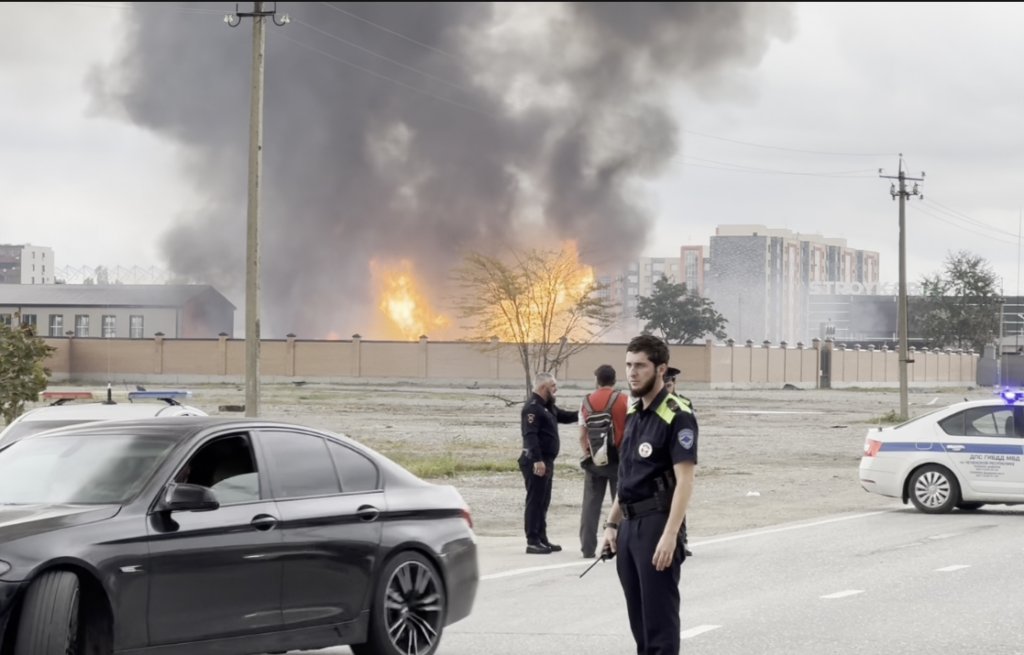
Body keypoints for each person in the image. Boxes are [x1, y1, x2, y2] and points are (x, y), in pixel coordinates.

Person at [599, 335, 698, 655]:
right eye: (628, 365)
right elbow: (627, 476)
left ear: (660, 368)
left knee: (659, 625)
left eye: (640, 366)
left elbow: (685, 481)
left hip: (657, 523)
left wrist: (671, 535)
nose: (632, 372)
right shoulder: (632, 412)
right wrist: (611, 525)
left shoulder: (676, 413)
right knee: (640, 624)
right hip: (628, 526)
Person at [519, 372, 579, 554]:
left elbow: (566, 416)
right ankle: (532, 540)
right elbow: (530, 435)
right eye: (553, 386)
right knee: (535, 501)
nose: (556, 389)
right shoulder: (532, 408)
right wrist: (537, 460)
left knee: (544, 501)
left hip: (547, 461)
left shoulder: (548, 407)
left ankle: (542, 538)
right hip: (535, 461)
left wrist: (585, 412)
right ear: (544, 388)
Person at [578, 364, 629, 559]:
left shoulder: (586, 402)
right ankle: (621, 544)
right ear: (614, 380)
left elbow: (582, 435)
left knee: (591, 504)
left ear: (597, 380)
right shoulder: (624, 400)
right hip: (620, 460)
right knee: (621, 503)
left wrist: (587, 454)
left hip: (595, 460)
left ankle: (587, 547)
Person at [663, 366, 694, 558]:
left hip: (678, 459)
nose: (667, 388)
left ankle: (682, 540)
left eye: (669, 384)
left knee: (680, 501)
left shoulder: (683, 404)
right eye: (664, 384)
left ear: (674, 384)